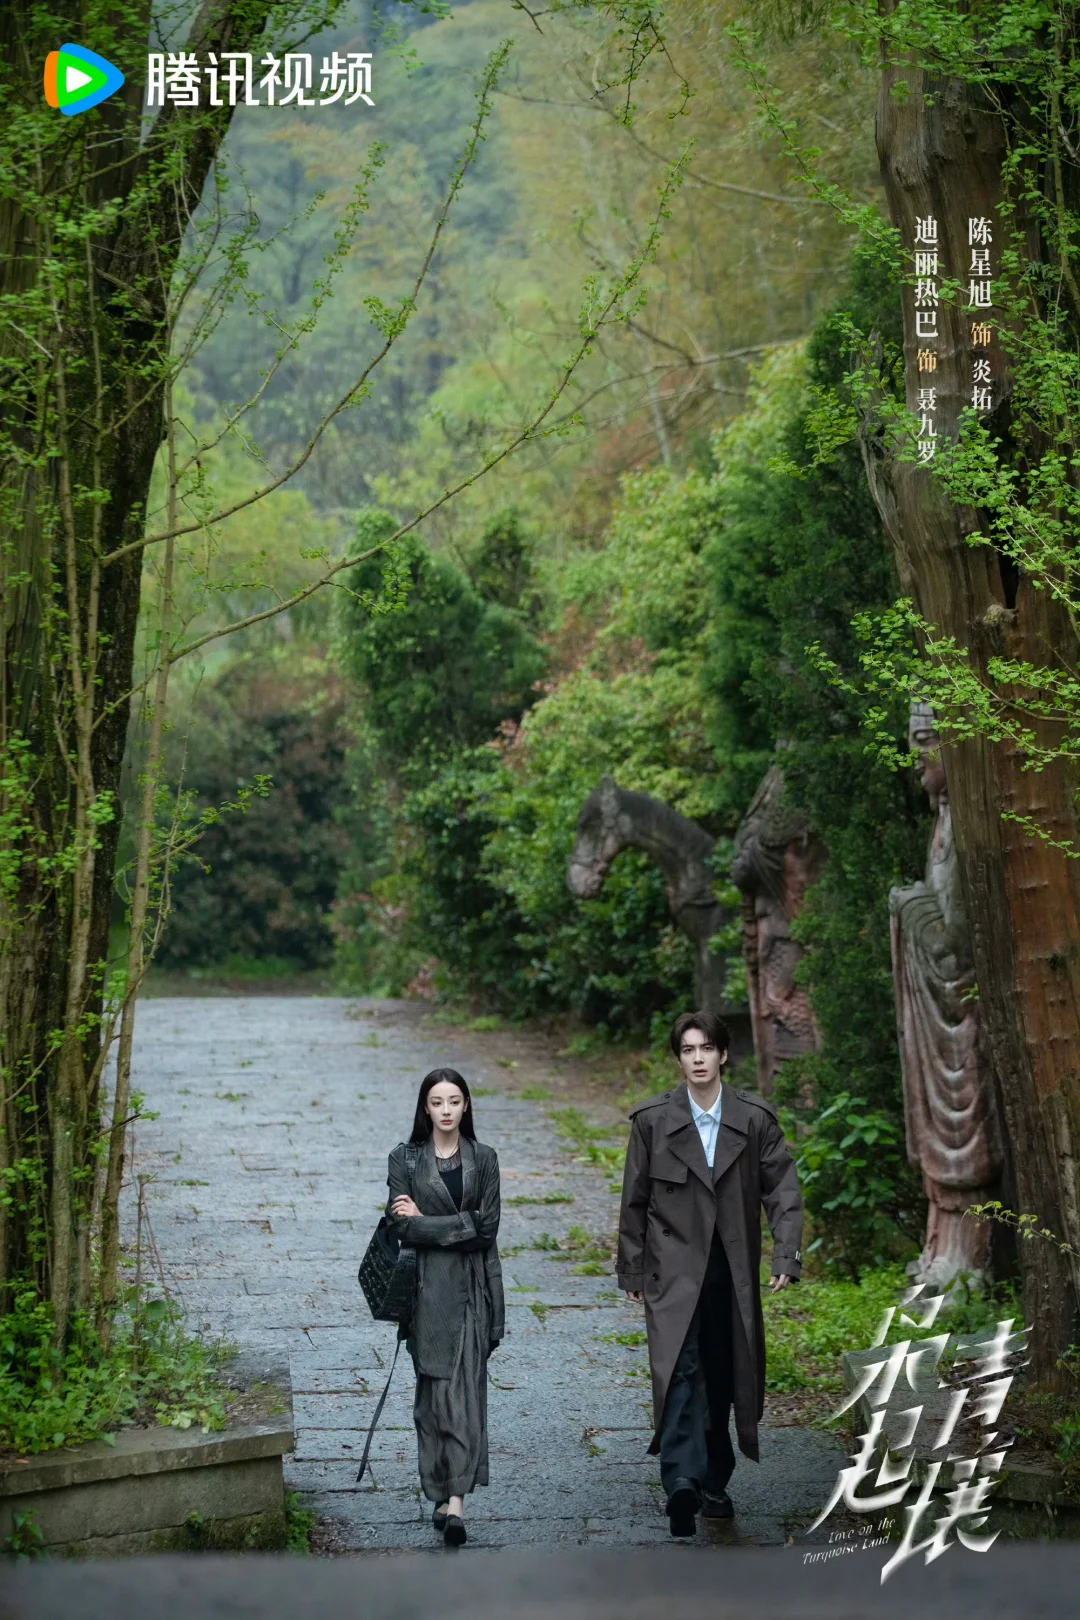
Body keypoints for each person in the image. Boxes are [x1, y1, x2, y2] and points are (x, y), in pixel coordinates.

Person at [616, 1010, 803, 1537]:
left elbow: (783, 1190)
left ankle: (714, 1482)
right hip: (672, 1269)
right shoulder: (652, 1121)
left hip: (729, 1269)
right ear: (679, 1059)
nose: (697, 1059)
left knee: (722, 1373)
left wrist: (785, 1255)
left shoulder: (754, 1119)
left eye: (706, 1049)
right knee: (679, 1367)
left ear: (722, 1055)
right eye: (688, 1050)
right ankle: (681, 1479)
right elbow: (634, 1200)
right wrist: (632, 1268)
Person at [386, 1068, 504, 1548]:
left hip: (474, 1288)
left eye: (454, 1100)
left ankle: (456, 1503)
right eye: (438, 1102)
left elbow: (488, 1227)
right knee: (433, 1399)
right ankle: (438, 1490)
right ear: (426, 1108)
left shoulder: (485, 1158)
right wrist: (458, 1226)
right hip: (426, 1291)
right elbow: (399, 1226)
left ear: (466, 1105)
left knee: (465, 1393)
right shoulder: (405, 1159)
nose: (447, 1110)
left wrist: (426, 1223)